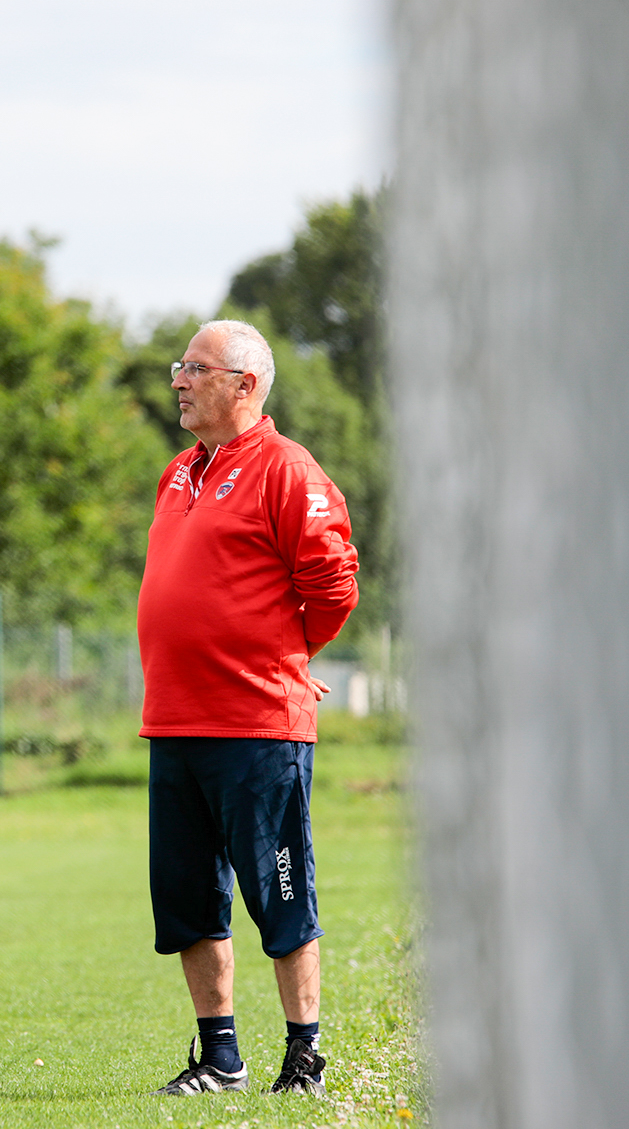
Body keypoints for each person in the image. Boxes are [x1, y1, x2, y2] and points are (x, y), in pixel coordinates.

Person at [136, 319, 359, 1098]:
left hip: (255, 724)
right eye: (179, 367)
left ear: (245, 385)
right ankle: (218, 1057)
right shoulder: (177, 474)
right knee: (190, 901)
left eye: (195, 368)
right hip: (174, 721)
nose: (179, 381)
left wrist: (287, 655)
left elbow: (335, 583)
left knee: (279, 890)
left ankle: (303, 1056)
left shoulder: (286, 467)